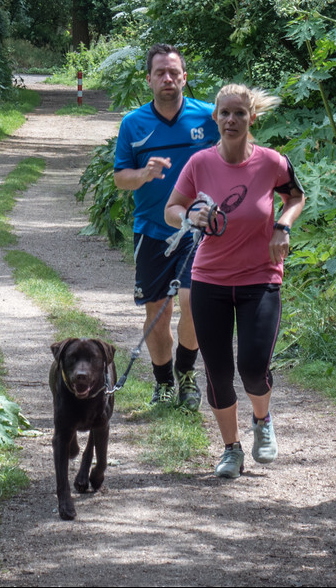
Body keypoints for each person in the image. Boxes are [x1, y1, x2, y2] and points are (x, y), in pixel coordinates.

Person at [163, 83, 305, 478]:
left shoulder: (272, 162)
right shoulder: (199, 164)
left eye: (239, 113)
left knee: (254, 367)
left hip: (261, 278)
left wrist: (282, 226)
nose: (231, 120)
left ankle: (262, 421)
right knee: (218, 371)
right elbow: (171, 208)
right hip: (209, 280)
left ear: (251, 118)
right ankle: (230, 450)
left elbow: (296, 197)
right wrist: (189, 214)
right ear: (215, 118)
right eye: (224, 113)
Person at [113, 44, 219, 409]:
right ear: (149, 80)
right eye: (160, 72)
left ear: (185, 77)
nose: (168, 79)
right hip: (152, 232)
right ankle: (163, 382)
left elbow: (236, 155)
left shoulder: (209, 118)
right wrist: (143, 174)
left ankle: (187, 373)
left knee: (194, 304)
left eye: (174, 72)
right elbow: (120, 179)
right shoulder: (133, 124)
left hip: (197, 233)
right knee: (157, 315)